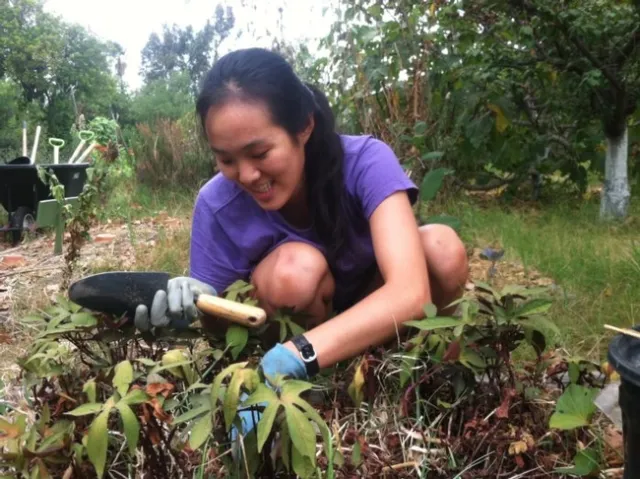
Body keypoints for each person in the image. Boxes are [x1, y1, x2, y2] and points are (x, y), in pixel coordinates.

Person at [134, 47, 468, 432]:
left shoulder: (366, 162)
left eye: (259, 152)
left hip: (370, 326)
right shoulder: (216, 204)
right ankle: (308, 391)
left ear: (303, 127)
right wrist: (193, 307)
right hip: (286, 341)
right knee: (295, 270)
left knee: (441, 248)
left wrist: (296, 354)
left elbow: (411, 293)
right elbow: (223, 328)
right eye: (226, 160)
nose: (246, 175)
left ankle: (425, 385)